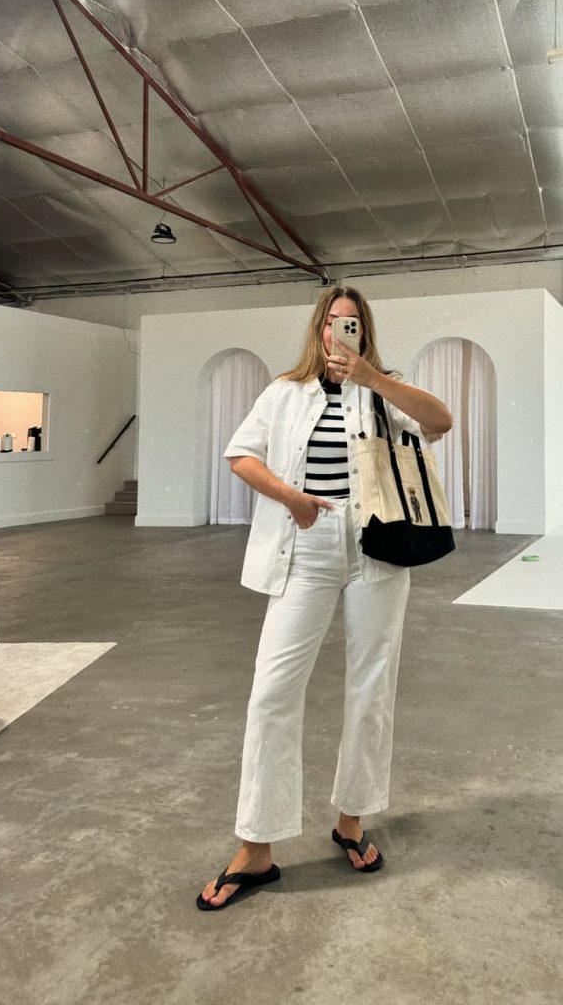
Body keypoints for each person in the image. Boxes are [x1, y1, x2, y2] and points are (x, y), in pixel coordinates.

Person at [197, 286, 453, 910]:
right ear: (319, 329)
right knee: (272, 691)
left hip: (377, 547)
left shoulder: (385, 388)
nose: (343, 330)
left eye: (354, 322)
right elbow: (240, 455)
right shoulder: (285, 392)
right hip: (305, 543)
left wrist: (372, 377)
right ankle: (256, 847)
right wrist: (292, 498)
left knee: (371, 685)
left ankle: (352, 820)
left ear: (366, 331)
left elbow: (441, 422)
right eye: (334, 322)